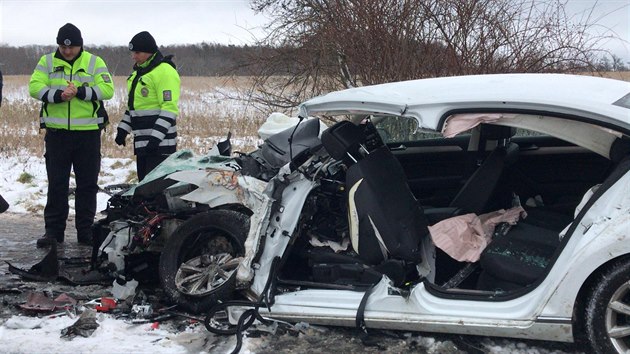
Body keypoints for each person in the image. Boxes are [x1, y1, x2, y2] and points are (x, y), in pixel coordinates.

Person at [29, 23, 114, 248]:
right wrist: (58, 95)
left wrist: (80, 92)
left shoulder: (95, 62)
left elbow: (108, 90)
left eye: (72, 47)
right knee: (57, 184)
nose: (68, 51)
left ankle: (85, 232)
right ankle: (53, 233)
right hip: (57, 135)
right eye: (63, 47)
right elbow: (34, 87)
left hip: (88, 135)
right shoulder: (46, 62)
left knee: (87, 185)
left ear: (80, 45)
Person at [115, 31, 180, 181]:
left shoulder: (164, 72)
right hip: (143, 144)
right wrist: (123, 129)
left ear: (149, 52)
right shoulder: (139, 74)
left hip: (161, 146)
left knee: (157, 193)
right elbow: (134, 108)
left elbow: (169, 109)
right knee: (144, 189)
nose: (134, 56)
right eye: (132, 52)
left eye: (137, 52)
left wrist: (155, 139)